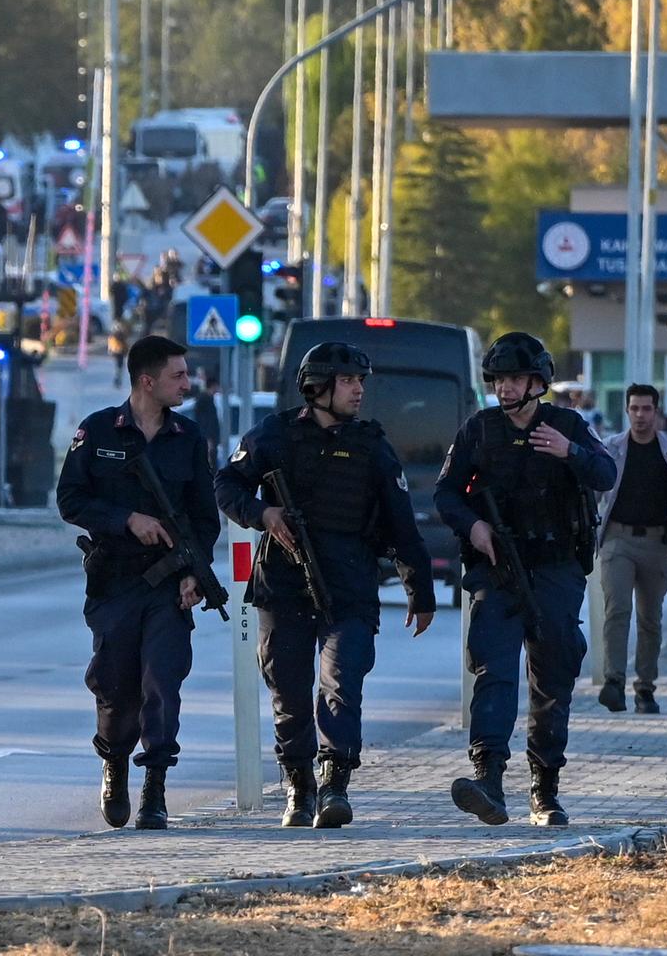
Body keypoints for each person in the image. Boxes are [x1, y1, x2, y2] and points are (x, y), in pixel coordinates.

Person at [215, 342, 436, 829]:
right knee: (288, 692)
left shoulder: (371, 445)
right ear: (319, 387)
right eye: (349, 381)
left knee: (342, 684)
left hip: (350, 586)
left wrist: (420, 590)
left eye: (361, 381)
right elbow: (227, 484)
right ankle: (299, 786)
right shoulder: (273, 435)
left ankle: (335, 781)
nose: (359, 390)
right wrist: (263, 513)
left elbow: (402, 525)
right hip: (283, 584)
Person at [435, 332, 616, 828]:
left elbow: (605, 473)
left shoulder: (566, 425)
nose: (505, 388)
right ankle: (488, 777)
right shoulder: (479, 430)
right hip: (497, 569)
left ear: (537, 382)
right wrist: (473, 525)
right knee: (493, 667)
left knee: (553, 674)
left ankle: (545, 787)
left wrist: (569, 452)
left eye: (514, 379)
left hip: (556, 568)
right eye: (498, 380)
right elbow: (446, 493)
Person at [56, 334, 220, 831]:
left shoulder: (188, 438)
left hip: (169, 585)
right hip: (115, 582)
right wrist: (126, 518)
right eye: (178, 375)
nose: (187, 383)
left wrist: (195, 571)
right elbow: (70, 500)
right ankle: (114, 764)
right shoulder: (99, 431)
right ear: (147, 381)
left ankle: (155, 789)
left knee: (162, 681)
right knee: (115, 683)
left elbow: (203, 517)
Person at [597, 384, 667, 716]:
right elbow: (592, 490)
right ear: (626, 411)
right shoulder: (612, 448)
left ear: (657, 412)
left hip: (657, 542)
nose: (640, 416)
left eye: (646, 409)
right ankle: (614, 681)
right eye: (634, 409)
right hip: (617, 540)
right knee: (618, 609)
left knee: (650, 619)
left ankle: (645, 688)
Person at [192, 373, 222, 469]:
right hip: (208, 439)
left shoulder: (208, 399)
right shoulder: (205, 400)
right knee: (209, 467)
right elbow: (205, 421)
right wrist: (208, 439)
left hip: (211, 439)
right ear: (213, 385)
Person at [106, 320, 130, 389]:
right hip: (118, 352)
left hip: (119, 352)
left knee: (120, 367)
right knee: (119, 367)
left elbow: (124, 345)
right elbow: (112, 345)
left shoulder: (118, 336)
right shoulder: (116, 336)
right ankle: (117, 380)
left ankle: (117, 380)